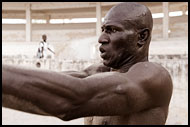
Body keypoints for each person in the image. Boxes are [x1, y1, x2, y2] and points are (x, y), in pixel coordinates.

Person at [2, 2, 173, 125]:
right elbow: (45, 88)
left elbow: (70, 99)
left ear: (141, 37)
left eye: (112, 30)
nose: (101, 39)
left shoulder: (154, 77)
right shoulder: (98, 71)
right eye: (103, 30)